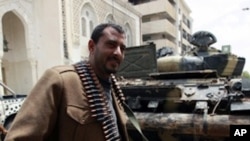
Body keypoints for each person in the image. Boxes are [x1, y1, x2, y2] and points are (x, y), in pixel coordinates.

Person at [4, 23, 130, 141]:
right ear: (91, 46)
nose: (118, 53)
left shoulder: (112, 86)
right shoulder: (60, 80)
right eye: (111, 45)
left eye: (122, 48)